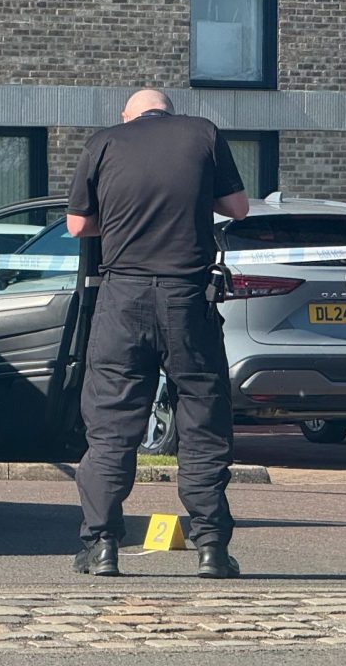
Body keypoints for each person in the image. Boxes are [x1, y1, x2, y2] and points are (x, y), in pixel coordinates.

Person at [66, 89, 250, 579]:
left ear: (128, 115)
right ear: (168, 111)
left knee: (110, 425)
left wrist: (125, 217)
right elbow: (238, 207)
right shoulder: (203, 133)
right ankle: (211, 547)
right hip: (187, 298)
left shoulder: (104, 142)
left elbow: (77, 224)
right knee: (203, 418)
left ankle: (102, 545)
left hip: (122, 297)